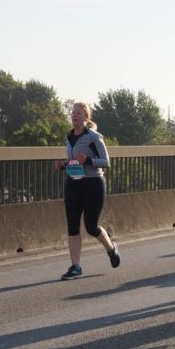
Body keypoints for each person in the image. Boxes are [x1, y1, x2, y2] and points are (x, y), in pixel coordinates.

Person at [56, 102, 121, 280]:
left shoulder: (94, 137)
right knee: (72, 226)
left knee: (91, 227)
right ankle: (75, 266)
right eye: (73, 113)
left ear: (86, 117)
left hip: (93, 184)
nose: (75, 115)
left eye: (79, 113)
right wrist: (63, 165)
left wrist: (88, 160)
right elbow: (74, 161)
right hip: (73, 184)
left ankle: (111, 249)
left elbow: (106, 162)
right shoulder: (68, 137)